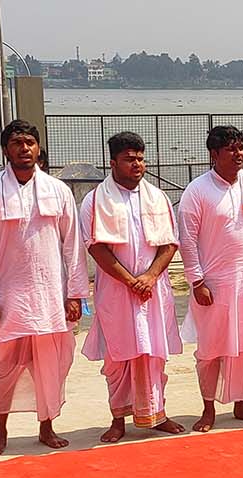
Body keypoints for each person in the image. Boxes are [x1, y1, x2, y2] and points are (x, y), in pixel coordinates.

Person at [0, 119, 88, 456]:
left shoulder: (58, 190)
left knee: (50, 366)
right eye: (17, 143)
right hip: (8, 299)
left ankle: (47, 427)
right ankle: (0, 431)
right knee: (2, 369)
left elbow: (72, 246)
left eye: (30, 143)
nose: (24, 149)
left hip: (51, 297)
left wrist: (75, 294)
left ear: (38, 148)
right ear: (5, 150)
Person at [80, 131, 185, 443]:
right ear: (113, 163)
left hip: (153, 291)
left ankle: (157, 413)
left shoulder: (158, 197)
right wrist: (130, 281)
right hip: (116, 292)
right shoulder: (95, 200)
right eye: (129, 159)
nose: (137, 164)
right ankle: (118, 419)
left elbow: (170, 243)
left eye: (140, 158)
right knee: (118, 357)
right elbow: (96, 248)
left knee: (154, 353)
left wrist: (150, 277)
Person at [179, 124, 243, 432]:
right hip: (214, 284)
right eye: (231, 149)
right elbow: (187, 240)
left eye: (240, 148)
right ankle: (208, 407)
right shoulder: (197, 190)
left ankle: (242, 403)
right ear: (214, 154)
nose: (238, 154)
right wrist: (197, 282)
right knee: (211, 349)